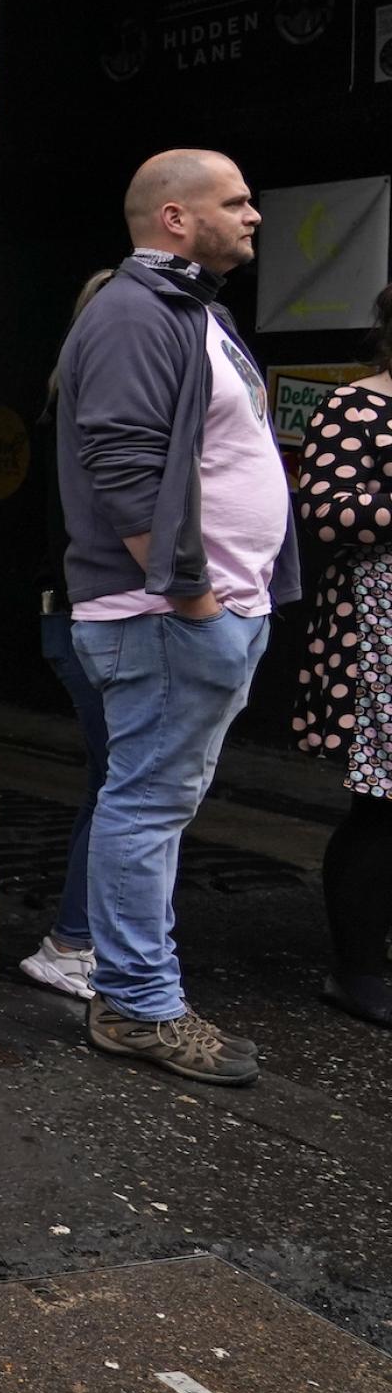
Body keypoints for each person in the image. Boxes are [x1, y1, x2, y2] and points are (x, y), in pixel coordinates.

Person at [55, 147, 295, 1087]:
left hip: (202, 611)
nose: (254, 215)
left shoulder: (194, 312)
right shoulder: (131, 314)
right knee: (147, 803)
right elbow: (121, 460)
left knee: (155, 802)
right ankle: (138, 1005)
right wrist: (190, 595)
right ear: (175, 219)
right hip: (164, 615)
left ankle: (136, 993)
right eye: (235, 201)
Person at [290, 283, 392, 1028]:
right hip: (379, 629)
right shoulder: (354, 406)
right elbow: (325, 513)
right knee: (383, 807)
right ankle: (358, 970)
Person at [21, 268, 120, 1001]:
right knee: (125, 785)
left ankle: (85, 937)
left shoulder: (58, 408)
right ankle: (73, 939)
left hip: (67, 613)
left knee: (114, 779)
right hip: (98, 615)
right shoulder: (100, 422)